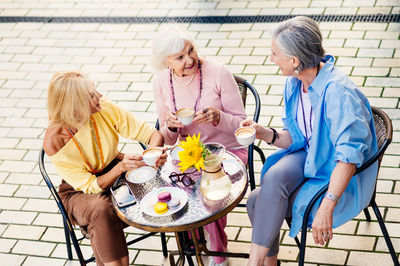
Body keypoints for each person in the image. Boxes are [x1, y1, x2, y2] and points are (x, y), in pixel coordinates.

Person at [241, 16, 378, 266]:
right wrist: (264, 133)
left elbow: (348, 159)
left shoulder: (339, 93)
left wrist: (327, 205)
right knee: (262, 192)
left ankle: (257, 264)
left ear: (294, 61)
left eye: (274, 54)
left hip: (340, 174)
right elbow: (296, 136)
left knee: (257, 201)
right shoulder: (295, 82)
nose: (270, 59)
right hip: (312, 155)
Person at [43, 71, 167, 266]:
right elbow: (90, 186)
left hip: (117, 170)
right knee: (102, 210)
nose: (99, 95)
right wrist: (121, 168)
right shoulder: (55, 140)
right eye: (91, 95)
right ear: (74, 106)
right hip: (78, 190)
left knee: (162, 183)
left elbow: (151, 134)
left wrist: (153, 155)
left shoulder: (104, 108)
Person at [152, 25, 248, 266]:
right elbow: (169, 138)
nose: (190, 59)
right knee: (177, 189)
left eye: (191, 50)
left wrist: (219, 118)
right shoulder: (161, 82)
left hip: (228, 151)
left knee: (210, 192)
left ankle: (217, 254)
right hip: (188, 154)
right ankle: (194, 245)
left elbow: (242, 124)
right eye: (180, 57)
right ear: (166, 62)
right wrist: (172, 127)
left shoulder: (218, 72)